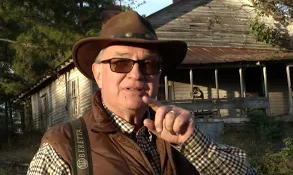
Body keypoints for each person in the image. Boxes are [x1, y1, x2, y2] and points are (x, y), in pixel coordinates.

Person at [27, 11, 257, 175]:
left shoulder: (181, 137)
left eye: (149, 65)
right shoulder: (63, 146)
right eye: (120, 63)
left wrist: (191, 142)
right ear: (98, 74)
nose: (137, 74)